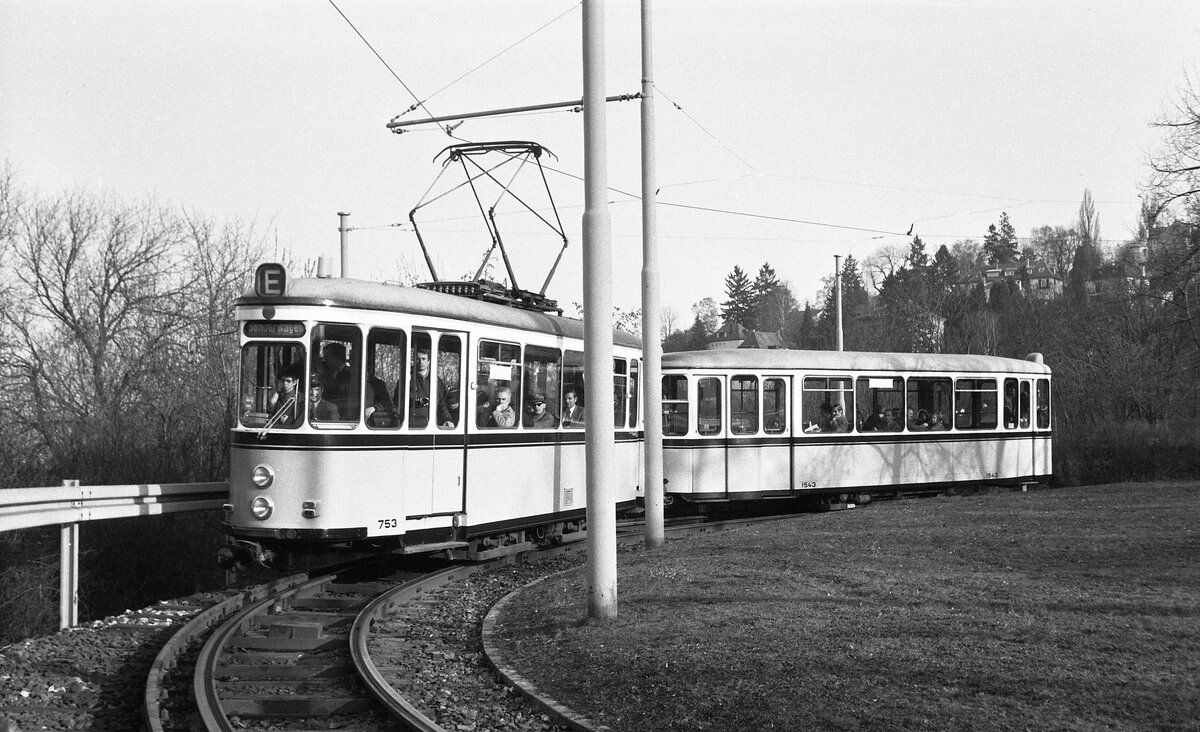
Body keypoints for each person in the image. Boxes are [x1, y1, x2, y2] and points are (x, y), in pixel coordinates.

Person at [410, 347, 454, 428]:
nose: (420, 362)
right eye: (418, 359)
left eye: (423, 359)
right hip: (412, 427)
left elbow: (442, 403)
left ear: (428, 361)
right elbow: (397, 402)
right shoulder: (406, 379)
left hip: (432, 427)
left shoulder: (437, 381)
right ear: (414, 361)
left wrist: (447, 419)